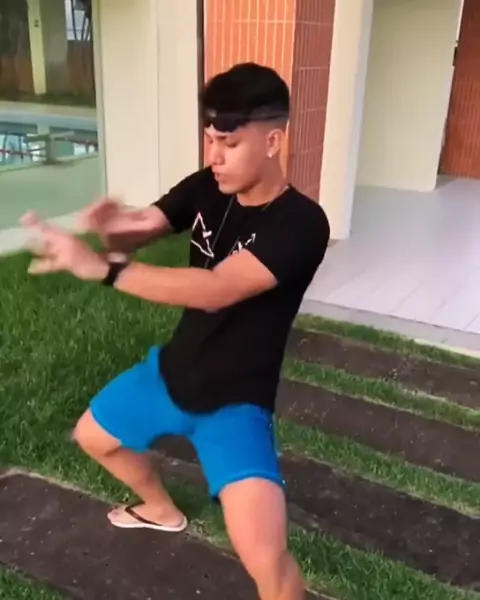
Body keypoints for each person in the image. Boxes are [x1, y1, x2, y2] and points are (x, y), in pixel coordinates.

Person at [21, 62, 330, 600]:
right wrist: (112, 229)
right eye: (210, 140)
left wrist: (106, 269)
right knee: (94, 437)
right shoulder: (209, 186)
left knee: (266, 559)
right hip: (171, 372)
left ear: (273, 141)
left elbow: (217, 289)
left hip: (236, 402)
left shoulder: (302, 223)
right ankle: (161, 510)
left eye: (228, 144)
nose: (215, 156)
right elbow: (144, 227)